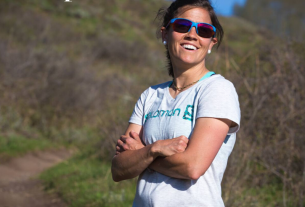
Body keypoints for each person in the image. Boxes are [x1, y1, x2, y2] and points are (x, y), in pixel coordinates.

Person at [111, 0, 240, 206]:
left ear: (211, 43)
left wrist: (143, 154)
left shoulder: (218, 89)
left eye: (204, 30)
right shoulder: (150, 95)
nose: (192, 35)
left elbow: (192, 167)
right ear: (165, 34)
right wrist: (155, 148)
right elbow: (118, 169)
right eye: (182, 26)